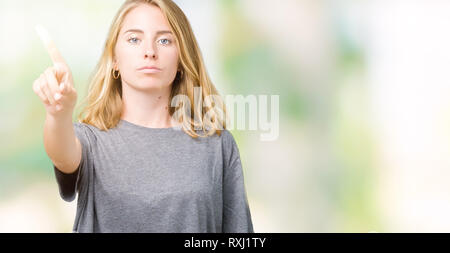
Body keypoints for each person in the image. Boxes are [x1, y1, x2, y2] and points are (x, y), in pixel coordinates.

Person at [32, 0, 254, 233]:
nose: (149, 52)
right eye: (134, 39)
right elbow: (62, 154)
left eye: (164, 40)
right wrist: (58, 113)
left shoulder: (218, 145)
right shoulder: (91, 141)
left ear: (181, 60)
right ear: (114, 60)